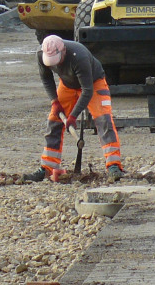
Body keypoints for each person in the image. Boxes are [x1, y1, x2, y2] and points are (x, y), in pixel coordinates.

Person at [26, 35, 124, 183]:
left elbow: (87, 91)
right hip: (67, 84)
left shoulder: (79, 56)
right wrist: (55, 101)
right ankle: (48, 168)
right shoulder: (41, 54)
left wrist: (72, 117)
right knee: (54, 121)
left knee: (104, 120)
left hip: (93, 82)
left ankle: (113, 166)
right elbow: (46, 79)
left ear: (63, 51)